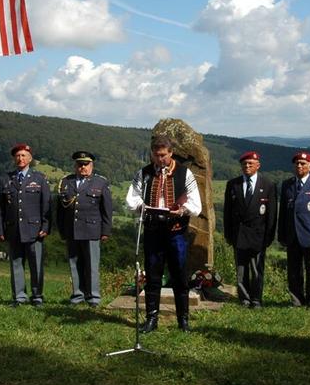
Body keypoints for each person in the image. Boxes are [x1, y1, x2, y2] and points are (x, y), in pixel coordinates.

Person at [126, 135, 202, 333]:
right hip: (153, 231)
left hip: (176, 232)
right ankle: (152, 319)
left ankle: (183, 320)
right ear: (152, 154)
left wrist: (182, 210)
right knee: (153, 275)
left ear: (171, 153)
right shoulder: (144, 173)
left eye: (163, 155)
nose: (160, 159)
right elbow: (131, 198)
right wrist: (142, 206)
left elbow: (196, 204)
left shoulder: (184, 173)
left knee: (179, 275)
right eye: (156, 155)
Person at [0, 143, 51, 307]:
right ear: (14, 159)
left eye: (23, 155)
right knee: (16, 264)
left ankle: (37, 296)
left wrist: (46, 226)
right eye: (17, 156)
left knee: (36, 265)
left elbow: (46, 204)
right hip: (13, 229)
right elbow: (0, 207)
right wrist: (0, 229)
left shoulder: (39, 178)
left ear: (30, 158)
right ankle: (19, 297)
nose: (20, 158)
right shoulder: (5, 179)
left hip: (34, 229)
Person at [56, 150, 113, 307]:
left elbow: (107, 209)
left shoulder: (100, 183)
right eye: (80, 164)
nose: (83, 167)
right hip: (71, 230)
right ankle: (77, 295)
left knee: (92, 265)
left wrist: (105, 231)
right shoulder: (66, 182)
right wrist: (62, 230)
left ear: (91, 165)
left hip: (91, 229)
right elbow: (60, 210)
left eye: (86, 164)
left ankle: (93, 297)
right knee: (74, 263)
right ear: (75, 166)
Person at [223, 151, 277, 308]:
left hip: (258, 235)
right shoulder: (233, 184)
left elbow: (272, 214)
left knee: (256, 269)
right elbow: (227, 212)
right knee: (241, 269)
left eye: (250, 163)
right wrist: (228, 234)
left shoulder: (268, 185)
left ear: (258, 165)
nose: (247, 166)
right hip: (239, 234)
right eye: (244, 164)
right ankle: (244, 299)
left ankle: (256, 299)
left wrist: (269, 236)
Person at [278, 151, 310, 308]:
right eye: (297, 163)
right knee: (294, 270)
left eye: (303, 163)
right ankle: (296, 300)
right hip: (292, 235)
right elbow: (283, 212)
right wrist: (282, 234)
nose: (299, 166)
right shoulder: (287, 185)